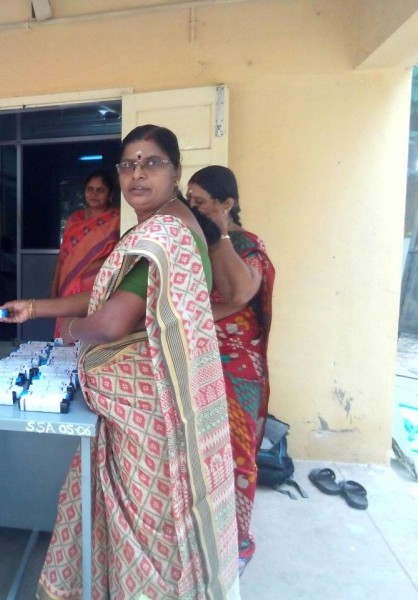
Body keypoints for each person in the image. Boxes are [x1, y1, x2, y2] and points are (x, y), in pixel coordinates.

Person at [0, 125, 239, 599]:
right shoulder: (164, 227)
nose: (137, 174)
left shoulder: (164, 236)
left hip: (149, 411)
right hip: (165, 402)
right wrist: (35, 307)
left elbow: (110, 322)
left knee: (149, 528)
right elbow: (105, 296)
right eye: (128, 165)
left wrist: (69, 332)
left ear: (176, 172)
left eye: (152, 163)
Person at [188, 165, 275, 571]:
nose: (194, 209)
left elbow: (240, 293)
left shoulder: (246, 245)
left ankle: (237, 544)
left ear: (227, 204)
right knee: (198, 454)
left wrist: (220, 233)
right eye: (190, 201)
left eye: (201, 202)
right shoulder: (193, 242)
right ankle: (202, 534)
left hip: (238, 367)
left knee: (236, 455)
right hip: (197, 359)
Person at [49, 170, 120, 337]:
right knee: (67, 334)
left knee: (92, 335)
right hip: (68, 285)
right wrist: (54, 287)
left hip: (97, 289)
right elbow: (63, 256)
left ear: (110, 194)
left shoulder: (117, 219)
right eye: (90, 189)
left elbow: (120, 257)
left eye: (100, 190)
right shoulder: (75, 219)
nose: (94, 194)